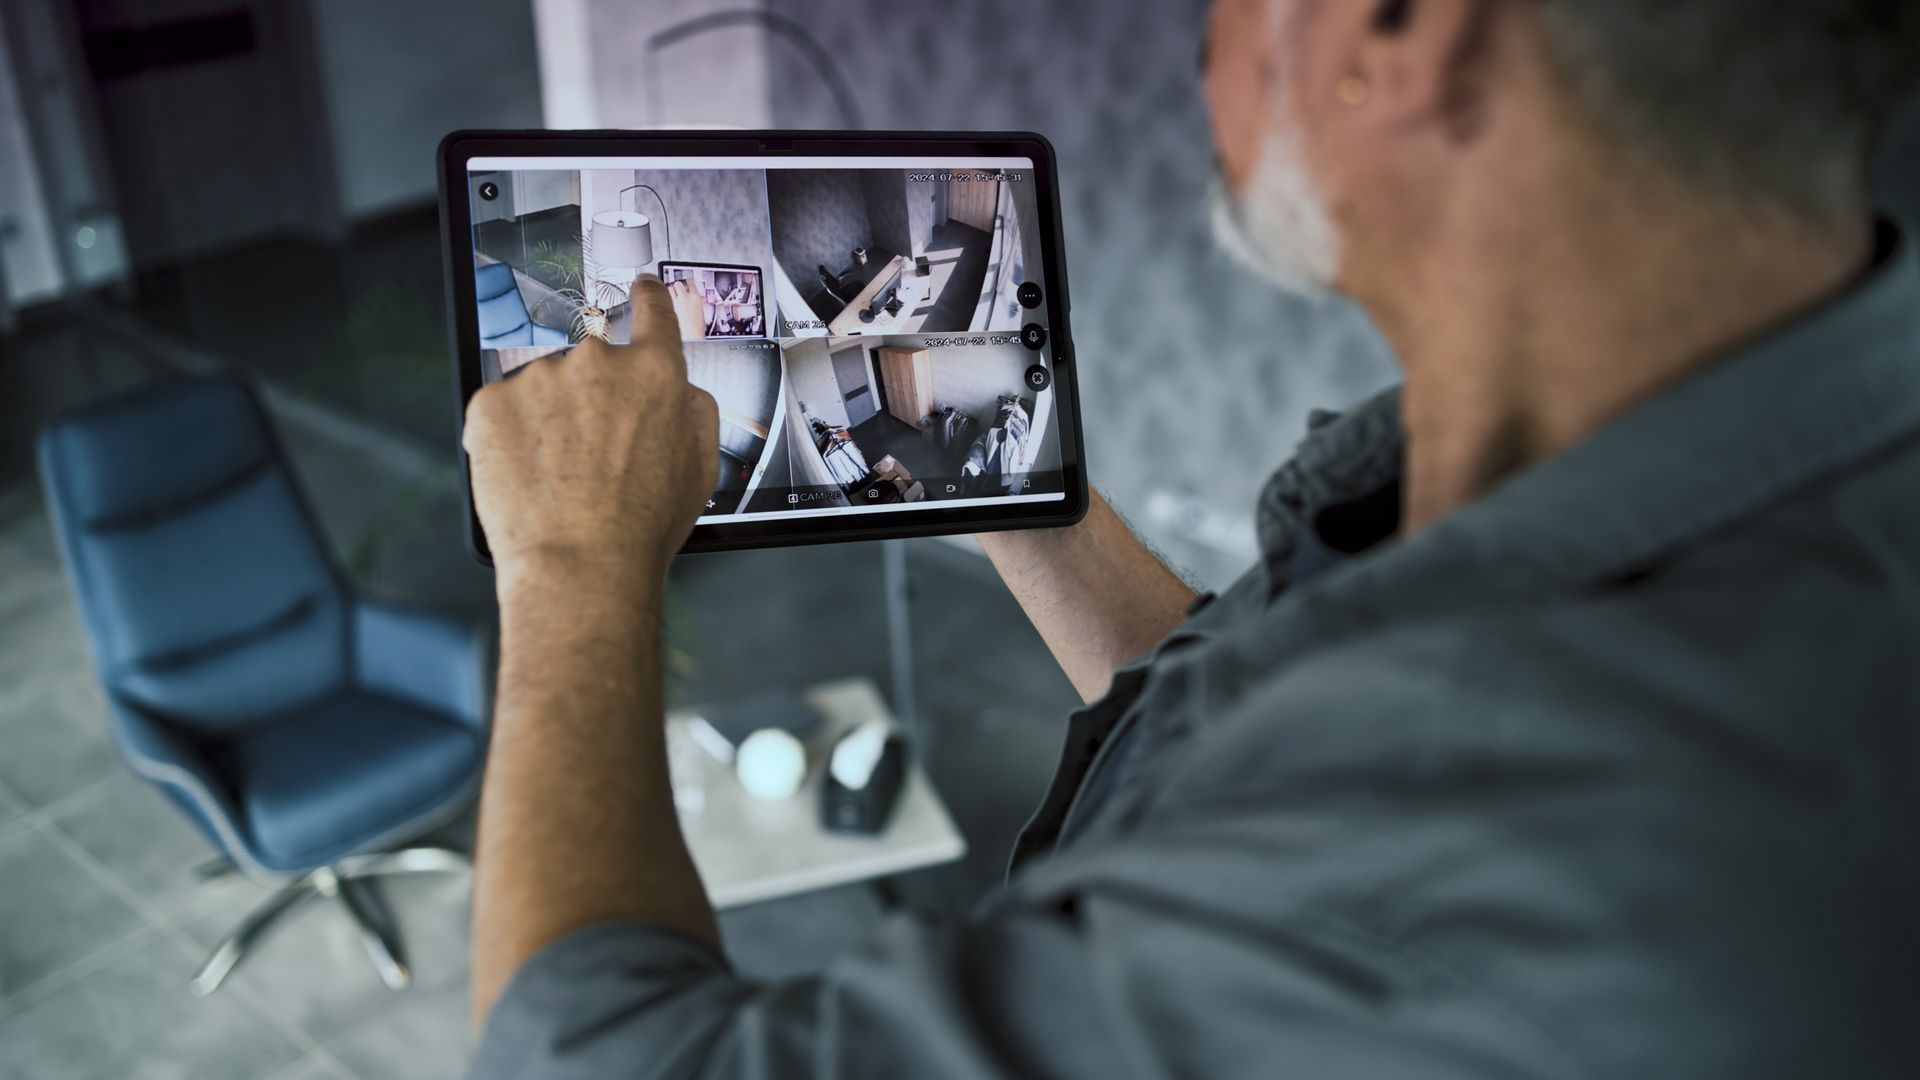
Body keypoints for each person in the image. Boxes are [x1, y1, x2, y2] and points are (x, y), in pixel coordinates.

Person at [461, 1, 1920, 1075]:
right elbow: (1273, 736)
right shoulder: (1704, 483)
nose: (1205, 49)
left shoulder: (1481, 813)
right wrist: (1027, 511)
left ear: (1401, 40)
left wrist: (572, 561)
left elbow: (588, 1055)